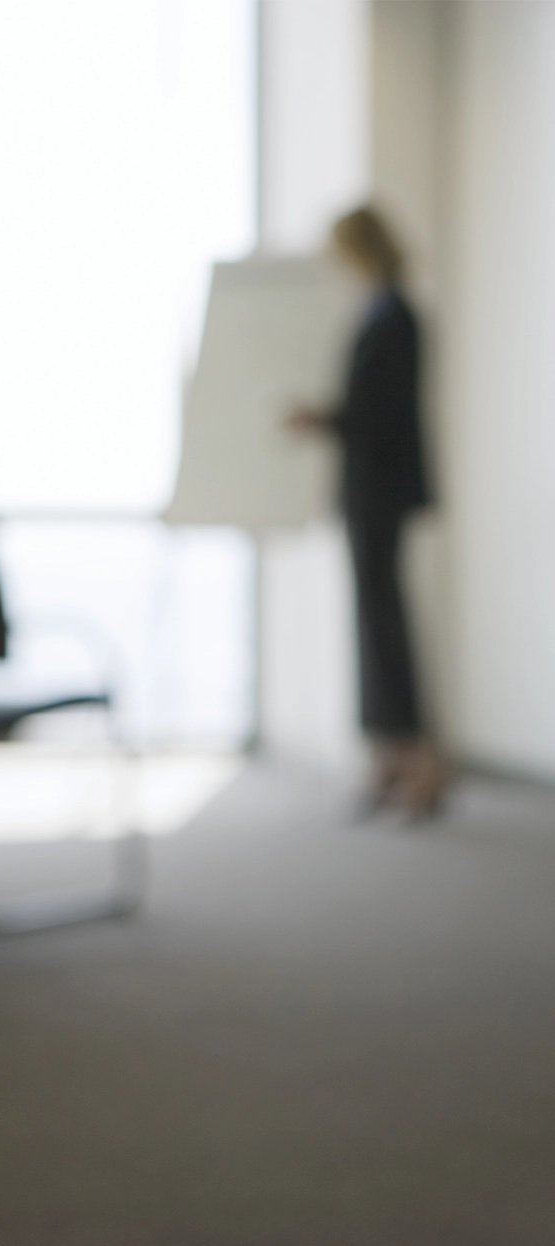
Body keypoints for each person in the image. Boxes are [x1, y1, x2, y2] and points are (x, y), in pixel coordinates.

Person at [288, 206, 447, 817]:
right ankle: (389, 758)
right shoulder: (377, 310)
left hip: (382, 489)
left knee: (385, 624)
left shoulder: (397, 315)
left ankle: (420, 763)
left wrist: (324, 417)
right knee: (371, 622)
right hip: (366, 490)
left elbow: (381, 412)